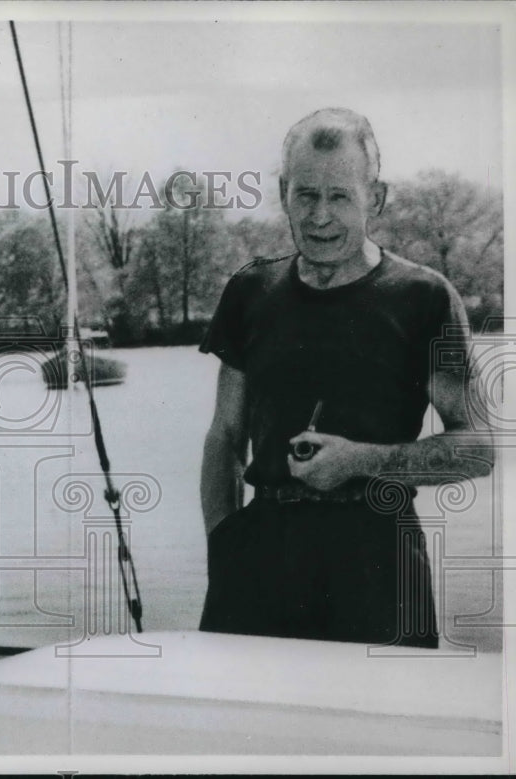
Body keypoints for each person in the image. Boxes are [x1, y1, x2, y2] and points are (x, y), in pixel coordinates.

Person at [197, 107, 493, 648]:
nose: (320, 216)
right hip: (259, 558)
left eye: (340, 196)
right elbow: (224, 434)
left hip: (377, 559)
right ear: (284, 191)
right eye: (306, 195)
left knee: (381, 729)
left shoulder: (424, 298)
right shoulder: (248, 291)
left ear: (375, 198)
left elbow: (477, 448)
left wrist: (362, 461)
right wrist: (224, 542)